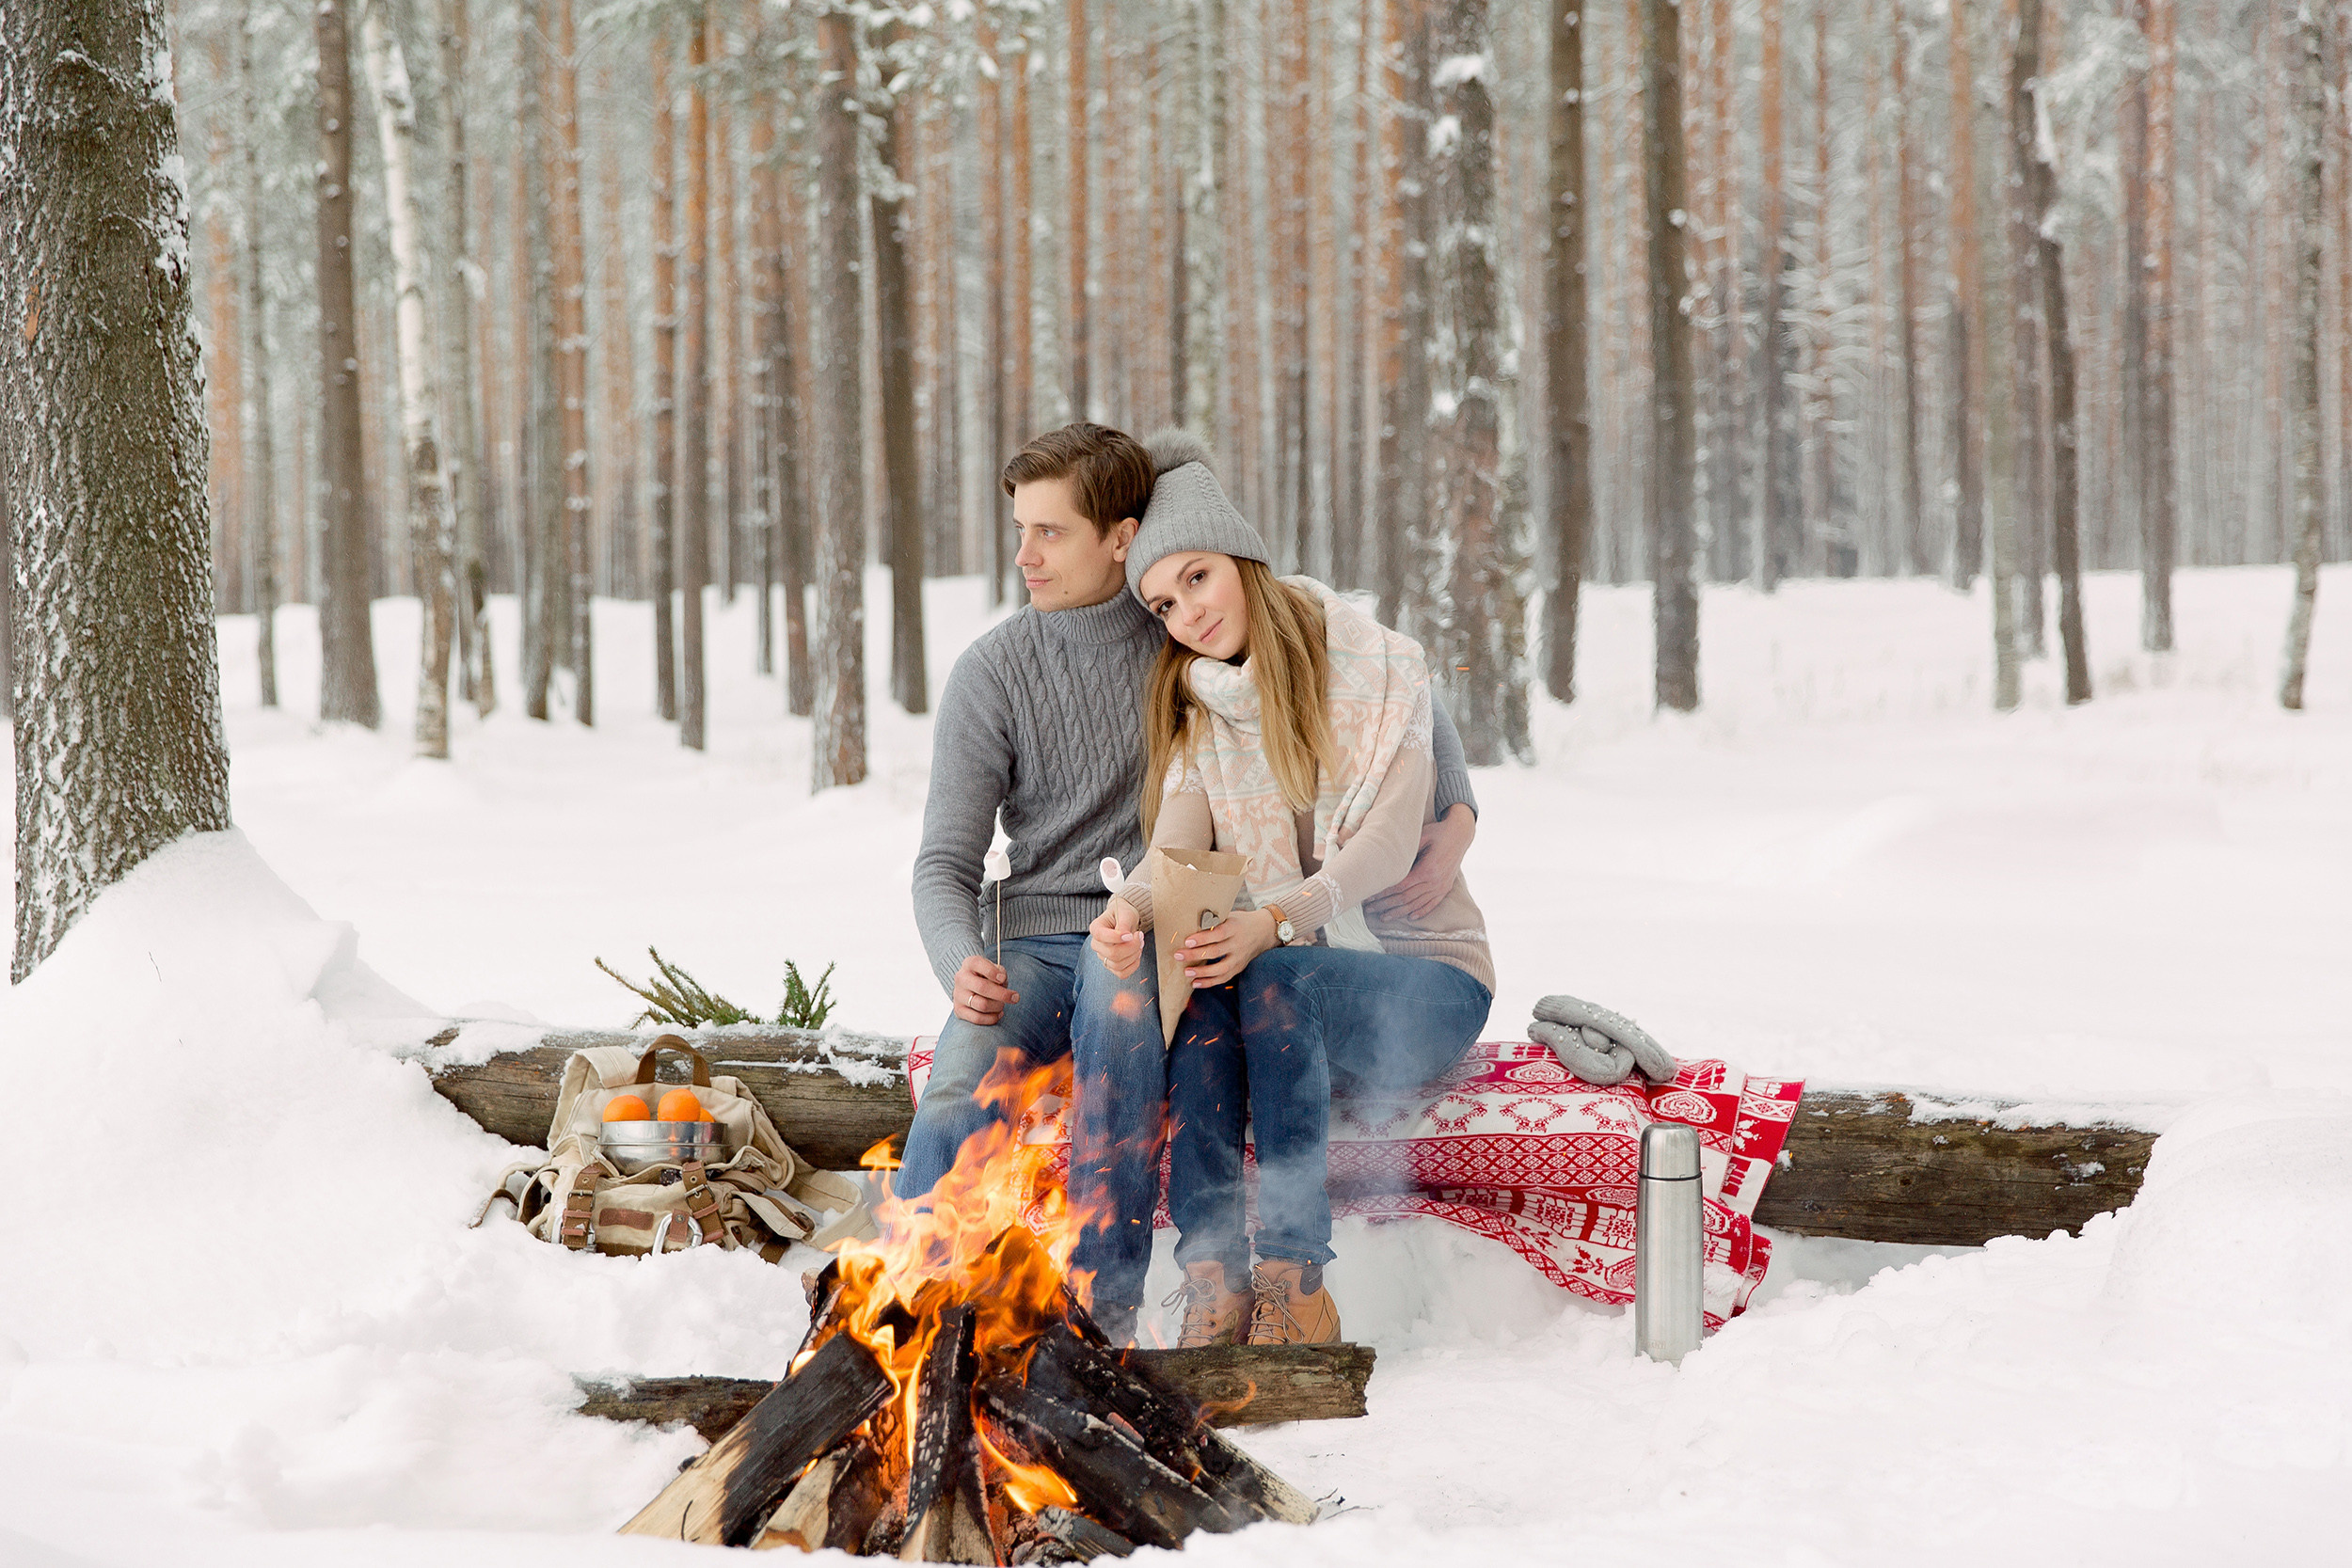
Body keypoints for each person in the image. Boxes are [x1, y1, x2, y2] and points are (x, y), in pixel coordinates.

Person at [905, 423, 1484, 1342]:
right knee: (972, 1080)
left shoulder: (1237, 640)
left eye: (1049, 530)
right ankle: (910, 1298)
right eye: (1021, 528)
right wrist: (970, 954)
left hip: (1273, 940)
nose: (1024, 554)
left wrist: (1457, 812)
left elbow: (1399, 691)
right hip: (1088, 929)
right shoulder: (1127, 671)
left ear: (1119, 535)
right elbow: (961, 857)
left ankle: (1122, 1302)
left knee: (1181, 996)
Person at [1089, 434, 1494, 1348]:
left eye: (1196, 578)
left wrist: (1272, 919)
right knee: (1204, 977)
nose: (1185, 611)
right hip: (1299, 996)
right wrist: (1129, 910)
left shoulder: (1381, 668)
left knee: (1270, 974)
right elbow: (1175, 848)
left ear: (1240, 559)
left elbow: (1390, 844)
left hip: (1422, 980)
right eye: (1162, 602)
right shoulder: (1207, 707)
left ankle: (1294, 1279)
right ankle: (1211, 1277)